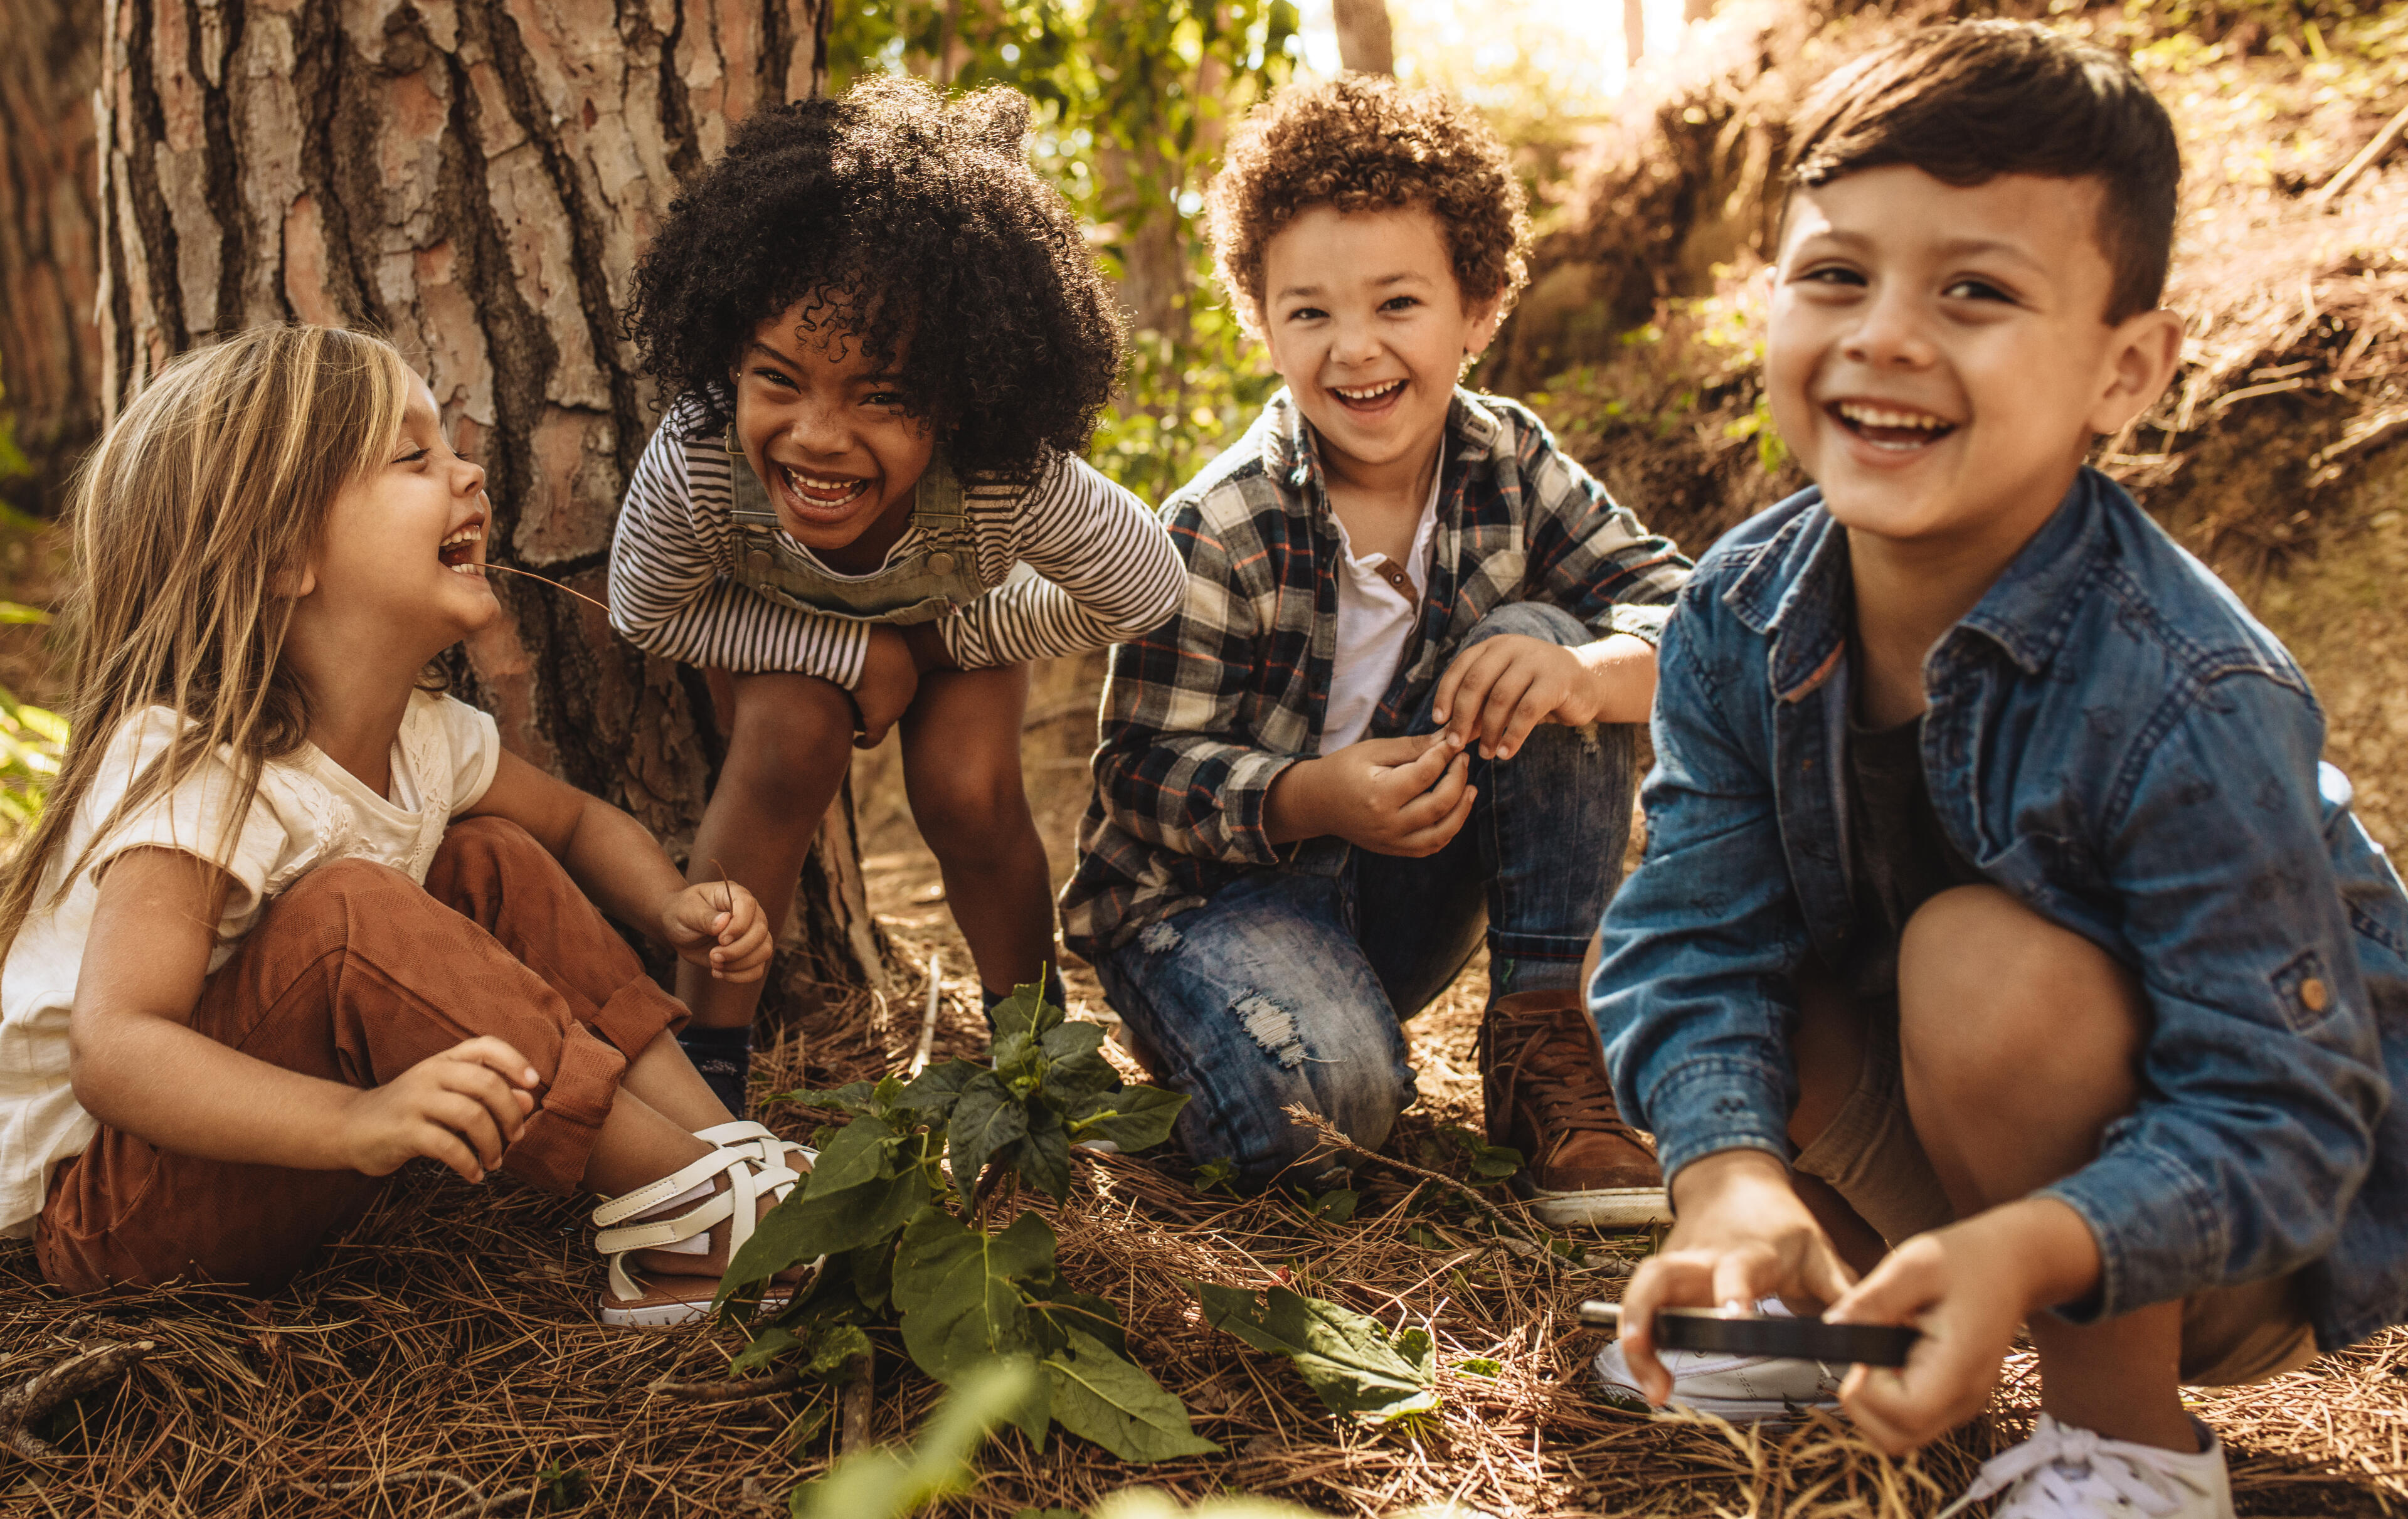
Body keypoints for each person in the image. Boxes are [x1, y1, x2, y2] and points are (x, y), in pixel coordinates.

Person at [1593, 23, 2408, 1518]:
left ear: (2127, 371)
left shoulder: (2185, 686)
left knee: (1980, 962)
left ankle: (2130, 1449)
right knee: (1751, 956)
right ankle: (1824, 1302)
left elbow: (2283, 1112)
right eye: (1837, 274)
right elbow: (1693, 934)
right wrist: (1729, 1181)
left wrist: (2031, 1244)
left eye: (1975, 291)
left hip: (2224, 1219)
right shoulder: (1737, 608)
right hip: (1966, 1140)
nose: (1886, 335)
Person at [0, 325, 823, 1328]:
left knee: (493, 857)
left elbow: (569, 823)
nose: (470, 473)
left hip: (258, 1146)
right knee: (353, 912)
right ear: (282, 552)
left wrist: (671, 900)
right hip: (106, 1206)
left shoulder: (426, 736)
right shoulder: (199, 766)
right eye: (414, 457)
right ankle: (702, 1208)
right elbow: (119, 1050)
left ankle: (721, 1155)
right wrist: (359, 1119)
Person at [1062, 77, 1690, 1223]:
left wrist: (1589, 674)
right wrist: (1311, 798)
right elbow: (1139, 774)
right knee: (1328, 1113)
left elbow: (1695, 615)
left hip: (1403, 892)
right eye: (1310, 313)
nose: (1356, 350)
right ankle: (1246, 1060)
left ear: (1480, 307)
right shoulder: (1221, 523)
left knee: (1543, 643)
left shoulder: (1511, 462)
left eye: (1398, 303)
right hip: (1209, 911)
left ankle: (1544, 1033)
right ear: (1262, 322)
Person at [609, 77, 1184, 1109]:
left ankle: (1034, 1059)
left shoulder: (1005, 475)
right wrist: (846, 653)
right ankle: (706, 1083)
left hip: (954, 628)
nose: (819, 435)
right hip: (780, 639)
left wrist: (945, 640)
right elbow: (645, 610)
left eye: (882, 396)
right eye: (778, 379)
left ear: (961, 398)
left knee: (967, 790)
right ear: (729, 357)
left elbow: (1142, 584)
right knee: (788, 740)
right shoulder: (699, 456)